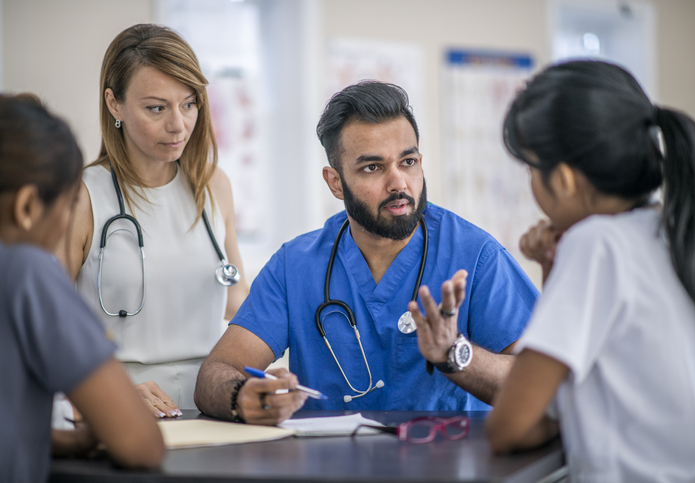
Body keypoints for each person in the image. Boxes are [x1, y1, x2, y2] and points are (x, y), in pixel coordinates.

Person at [194, 81, 538, 425]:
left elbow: (536, 383)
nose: (398, 183)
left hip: (446, 465)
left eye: (408, 161)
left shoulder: (476, 256)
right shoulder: (294, 266)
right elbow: (217, 370)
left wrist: (456, 355)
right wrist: (243, 396)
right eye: (373, 167)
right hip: (328, 467)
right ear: (336, 182)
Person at [485, 60, 695, 481]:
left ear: (563, 180)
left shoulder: (597, 243)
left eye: (530, 169)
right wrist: (552, 268)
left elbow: (511, 425)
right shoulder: (675, 229)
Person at [58, 24, 250, 416]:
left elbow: (238, 302)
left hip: (208, 405)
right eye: (156, 108)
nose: (178, 125)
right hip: (121, 406)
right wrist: (109, 391)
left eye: (189, 104)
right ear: (115, 104)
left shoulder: (213, 185)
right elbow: (45, 325)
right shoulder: (81, 195)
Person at [0, 95, 165, 482]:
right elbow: (140, 444)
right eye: (70, 203)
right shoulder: (26, 270)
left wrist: (61, 440)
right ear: (26, 207)